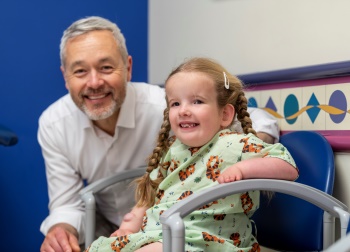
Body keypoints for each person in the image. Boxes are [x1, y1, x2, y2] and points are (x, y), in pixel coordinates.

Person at [38, 16, 280, 252]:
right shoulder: (54, 123)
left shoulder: (167, 108)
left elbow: (259, 120)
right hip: (108, 226)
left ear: (128, 68)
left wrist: (246, 152)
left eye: (106, 67)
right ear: (65, 77)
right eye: (80, 72)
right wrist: (61, 229)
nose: (94, 82)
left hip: (171, 225)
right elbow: (66, 205)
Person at [85, 57, 298, 252]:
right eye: (175, 103)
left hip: (210, 241)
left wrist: (243, 169)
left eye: (197, 101)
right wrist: (129, 226)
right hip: (163, 234)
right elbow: (150, 195)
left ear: (225, 114)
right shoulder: (174, 150)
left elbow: (288, 167)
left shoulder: (234, 144)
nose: (184, 110)